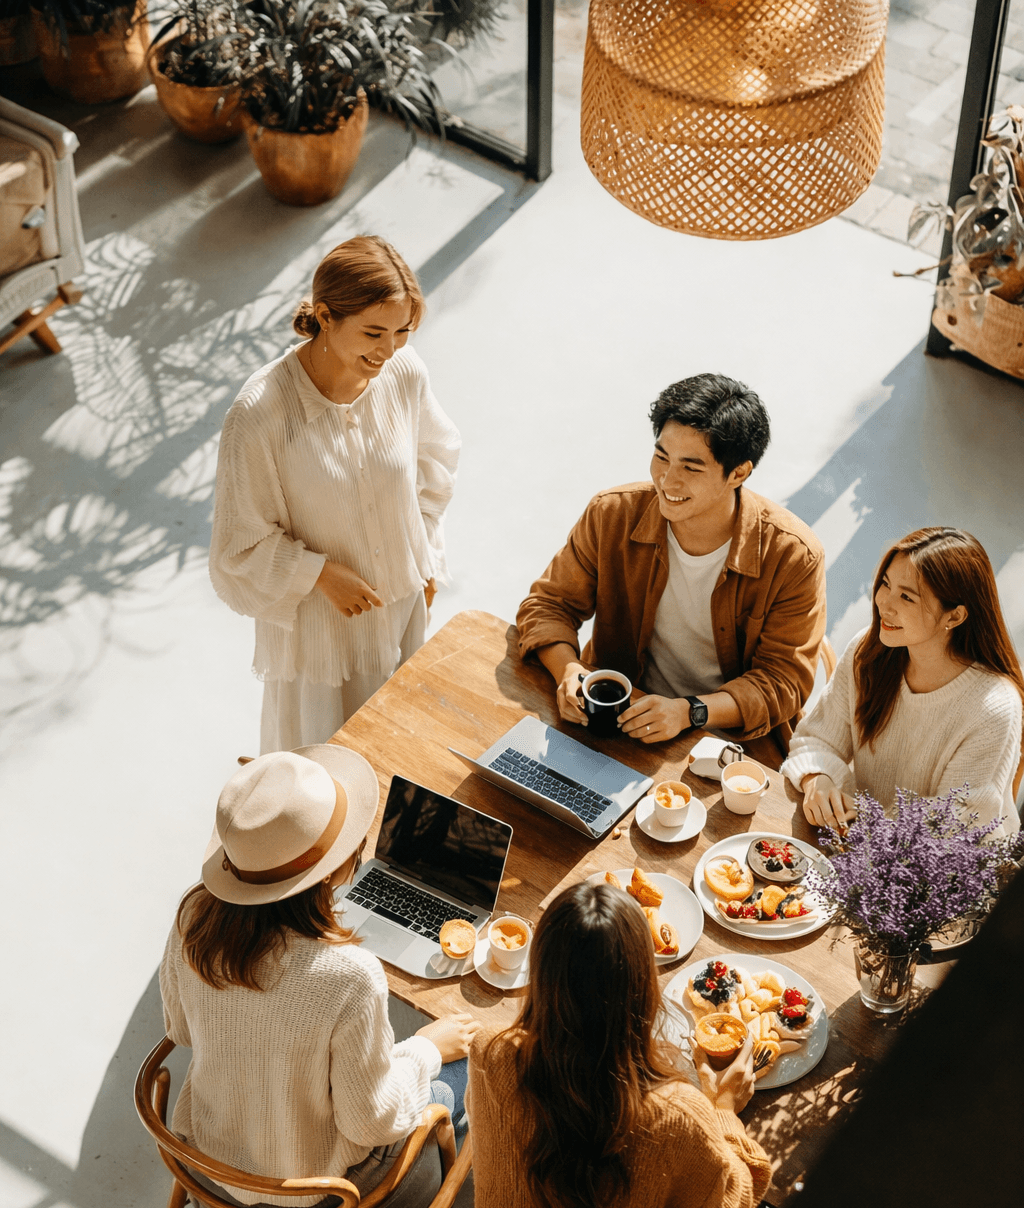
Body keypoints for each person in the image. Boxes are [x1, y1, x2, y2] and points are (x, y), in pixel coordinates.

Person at [159, 746, 477, 1208]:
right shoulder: (350, 974)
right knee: (466, 1070)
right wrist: (425, 1049)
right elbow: (369, 1124)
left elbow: (181, 1030)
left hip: (208, 1165)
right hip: (316, 1198)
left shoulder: (193, 916)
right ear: (335, 871)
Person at [463, 882, 771, 1208]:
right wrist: (723, 1108)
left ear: (542, 974)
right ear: (642, 987)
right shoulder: (677, 1114)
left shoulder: (491, 1054)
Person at [209, 236, 460, 755]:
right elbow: (238, 547)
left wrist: (424, 553)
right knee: (323, 773)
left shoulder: (403, 373)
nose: (388, 350)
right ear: (325, 316)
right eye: (373, 332)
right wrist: (320, 574)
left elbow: (436, 460)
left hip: (400, 609)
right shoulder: (259, 414)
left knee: (401, 753)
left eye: (403, 332)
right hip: (324, 637)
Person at [516, 373, 826, 756]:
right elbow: (548, 605)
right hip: (616, 719)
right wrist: (569, 670)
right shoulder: (611, 514)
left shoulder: (793, 556)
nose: (667, 480)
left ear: (739, 473)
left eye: (691, 468)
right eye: (662, 456)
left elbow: (783, 682)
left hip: (725, 744)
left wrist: (688, 712)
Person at [782, 527, 1024, 833]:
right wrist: (818, 778)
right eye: (885, 584)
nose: (883, 603)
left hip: (933, 859)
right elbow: (817, 739)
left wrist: (865, 822)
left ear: (954, 617)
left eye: (907, 597)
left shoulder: (993, 708)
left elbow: (951, 831)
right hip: (852, 836)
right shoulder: (868, 651)